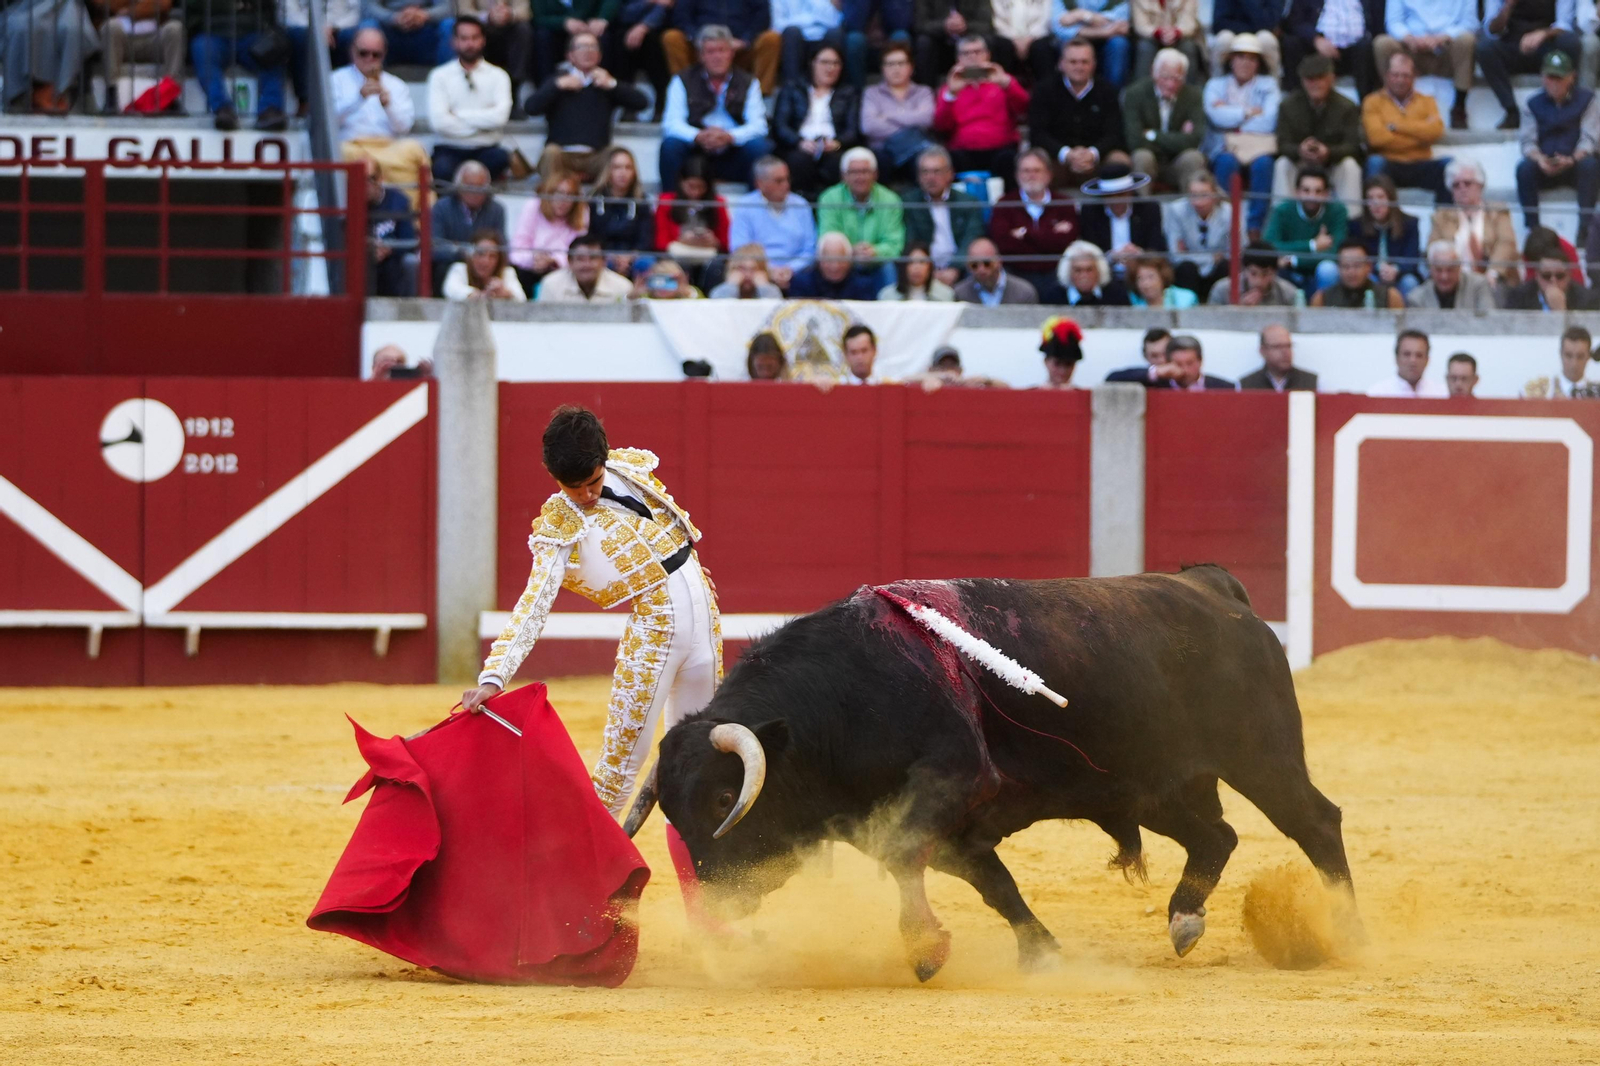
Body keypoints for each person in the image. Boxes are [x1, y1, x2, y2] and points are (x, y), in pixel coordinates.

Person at [465, 406, 725, 929]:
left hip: (705, 626)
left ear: (605, 461)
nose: (584, 495)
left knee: (699, 773)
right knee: (615, 780)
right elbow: (534, 603)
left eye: (591, 481)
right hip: (652, 639)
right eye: (571, 486)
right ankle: (568, 912)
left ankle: (707, 916)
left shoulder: (630, 469)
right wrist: (494, 675)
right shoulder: (558, 524)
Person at [658, 25, 774, 188]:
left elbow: (759, 125)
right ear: (701, 56)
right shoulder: (682, 80)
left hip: (734, 152)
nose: (717, 57)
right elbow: (671, 123)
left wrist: (730, 136)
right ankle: (670, 204)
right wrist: (698, 136)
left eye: (722, 50)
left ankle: (755, 206)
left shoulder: (749, 82)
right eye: (711, 52)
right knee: (671, 145)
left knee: (760, 147)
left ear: (732, 53)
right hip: (696, 154)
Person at [527, 31, 650, 182]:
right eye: (582, 47)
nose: (588, 51)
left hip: (596, 157)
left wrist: (613, 84)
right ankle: (550, 201)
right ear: (570, 55)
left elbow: (642, 103)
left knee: (617, 154)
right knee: (550, 153)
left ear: (599, 55)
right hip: (563, 155)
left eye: (593, 47)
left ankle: (607, 205)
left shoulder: (605, 83)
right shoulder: (557, 81)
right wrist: (557, 86)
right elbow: (531, 108)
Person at [334, 28, 430, 203]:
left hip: (387, 146)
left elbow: (404, 127)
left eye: (375, 54)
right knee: (341, 152)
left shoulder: (396, 85)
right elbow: (329, 121)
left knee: (415, 149)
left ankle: (414, 219)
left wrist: (388, 105)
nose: (369, 59)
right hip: (353, 145)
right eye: (363, 53)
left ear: (384, 54)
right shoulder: (335, 80)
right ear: (352, 51)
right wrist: (358, 98)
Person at [1516, 49, 1600, 243]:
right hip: (1546, 163)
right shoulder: (1532, 103)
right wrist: (1540, 159)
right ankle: (1533, 230)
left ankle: (1585, 230)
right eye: (1550, 77)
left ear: (1572, 77)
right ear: (1543, 77)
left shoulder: (1587, 100)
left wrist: (1572, 159)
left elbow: (1591, 139)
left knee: (1590, 165)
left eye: (1559, 78)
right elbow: (1527, 141)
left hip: (1575, 164)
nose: (1554, 83)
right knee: (1524, 169)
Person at [1204, 34, 1280, 234]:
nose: (1246, 63)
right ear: (1231, 60)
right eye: (1241, 57)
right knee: (1226, 162)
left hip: (1257, 147)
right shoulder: (1215, 85)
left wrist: (1231, 116)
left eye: (1252, 58)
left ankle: (1254, 227)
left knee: (1264, 164)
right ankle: (1227, 224)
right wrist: (1247, 112)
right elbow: (1215, 116)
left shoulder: (1268, 85)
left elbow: (1268, 121)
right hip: (1223, 146)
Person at [1030, 39, 1131, 187]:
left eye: (1084, 62)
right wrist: (1067, 154)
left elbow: (1115, 134)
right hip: (1058, 160)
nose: (1079, 67)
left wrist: (1092, 154)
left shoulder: (1108, 91)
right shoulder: (1044, 90)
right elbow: (1038, 134)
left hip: (1097, 160)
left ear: (1094, 64)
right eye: (1073, 62)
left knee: (1120, 160)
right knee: (1036, 160)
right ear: (1062, 64)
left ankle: (1119, 209)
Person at [988, 148, 1080, 301]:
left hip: (1057, 273)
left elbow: (1067, 243)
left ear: (1049, 175)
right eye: (1026, 171)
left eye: (1037, 170)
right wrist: (1050, 234)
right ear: (1017, 175)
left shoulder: (1064, 203)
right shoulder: (1004, 204)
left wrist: (1025, 234)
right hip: (1017, 273)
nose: (1031, 175)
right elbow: (1004, 245)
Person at [429, 17, 515, 181]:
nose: (470, 44)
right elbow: (439, 122)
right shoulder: (439, 76)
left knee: (501, 158)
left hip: (486, 149)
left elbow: (499, 119)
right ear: (454, 41)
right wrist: (482, 124)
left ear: (483, 40)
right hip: (449, 148)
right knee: (441, 168)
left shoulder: (498, 76)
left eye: (475, 38)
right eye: (464, 38)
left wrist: (457, 115)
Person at [1477, 0, 1585, 130]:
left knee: (1570, 42)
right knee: (1484, 49)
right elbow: (1491, 30)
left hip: (1546, 47)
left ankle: (1565, 106)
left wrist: (1544, 34)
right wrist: (1508, 6)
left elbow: (1564, 25)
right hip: (1512, 45)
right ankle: (1511, 110)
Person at [772, 44, 862, 197]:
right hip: (799, 145)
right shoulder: (793, 88)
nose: (830, 68)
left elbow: (852, 130)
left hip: (833, 146)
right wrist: (799, 142)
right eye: (825, 62)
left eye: (836, 63)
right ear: (812, 63)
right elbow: (780, 125)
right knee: (798, 162)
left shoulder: (848, 93)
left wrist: (837, 143)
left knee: (840, 163)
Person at [1273, 52, 1363, 204]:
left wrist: (1328, 152)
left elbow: (1353, 146)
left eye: (1320, 78)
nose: (1315, 84)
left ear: (1331, 79)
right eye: (1310, 79)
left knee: (1350, 166)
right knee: (1282, 164)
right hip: (1301, 163)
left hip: (1332, 164)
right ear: (1302, 81)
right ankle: (1283, 220)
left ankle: (1351, 223)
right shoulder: (1288, 105)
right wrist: (1300, 150)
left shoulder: (1347, 107)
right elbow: (1282, 144)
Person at [933, 34, 1029, 177]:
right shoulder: (950, 88)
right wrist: (951, 95)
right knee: (950, 161)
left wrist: (1007, 84)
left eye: (978, 52)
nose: (973, 57)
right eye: (966, 53)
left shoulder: (1002, 81)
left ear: (987, 55)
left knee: (1008, 159)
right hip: (963, 151)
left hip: (1001, 148)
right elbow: (941, 126)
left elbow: (1025, 109)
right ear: (958, 58)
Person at [1362, 50, 1449, 204]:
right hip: (1389, 164)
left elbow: (1435, 132)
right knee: (1374, 162)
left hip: (1421, 164)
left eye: (1406, 75)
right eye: (1395, 75)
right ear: (1387, 76)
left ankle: (1444, 220)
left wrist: (1395, 126)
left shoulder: (1427, 101)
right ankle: (1371, 224)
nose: (1400, 80)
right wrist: (1420, 134)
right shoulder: (1372, 101)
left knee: (1450, 165)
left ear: (1414, 77)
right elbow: (1376, 139)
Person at [1374, 0, 1476, 129]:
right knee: (1382, 43)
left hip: (1446, 51)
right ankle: (1389, 102)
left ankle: (1459, 107)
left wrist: (1442, 37)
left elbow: (1470, 23)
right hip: (1411, 51)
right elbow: (1394, 22)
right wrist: (1410, 38)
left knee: (1466, 40)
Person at [187, 0, 286, 130]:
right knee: (203, 53)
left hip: (251, 32)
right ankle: (222, 109)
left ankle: (270, 109)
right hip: (212, 32)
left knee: (272, 55)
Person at [1122, 47, 1207, 193]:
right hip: (1149, 159)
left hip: (1177, 161)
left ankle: (1190, 210)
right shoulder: (1134, 93)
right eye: (1165, 77)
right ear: (1153, 74)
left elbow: (1194, 140)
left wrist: (1152, 135)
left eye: (1177, 79)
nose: (1171, 84)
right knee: (1142, 156)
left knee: (1194, 157)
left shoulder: (1193, 96)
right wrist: (1179, 138)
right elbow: (1134, 141)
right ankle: (1142, 210)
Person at [1429, 158, 1521, 288]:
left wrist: (1493, 272)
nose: (1462, 188)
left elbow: (1506, 243)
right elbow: (1433, 249)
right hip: (1455, 280)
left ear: (1480, 185)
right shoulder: (1441, 217)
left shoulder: (1498, 211)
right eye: (1456, 185)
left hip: (1494, 278)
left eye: (1467, 183)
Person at [660, 0, 782, 95]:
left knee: (771, 39)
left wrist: (745, 40)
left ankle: (761, 96)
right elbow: (681, 16)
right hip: (702, 48)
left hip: (740, 48)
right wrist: (698, 39)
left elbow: (762, 16)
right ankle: (685, 90)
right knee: (672, 37)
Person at [729, 157, 816, 291]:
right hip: (756, 272)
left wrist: (790, 269)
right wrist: (769, 270)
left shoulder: (801, 205)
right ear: (760, 183)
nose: (786, 185)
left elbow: (810, 249)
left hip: (797, 273)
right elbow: (740, 248)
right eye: (779, 181)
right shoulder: (744, 206)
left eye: (787, 179)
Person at [903, 146, 985, 287]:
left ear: (950, 174)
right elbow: (911, 240)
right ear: (918, 177)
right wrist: (928, 270)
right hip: (923, 269)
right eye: (925, 172)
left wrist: (954, 268)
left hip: (961, 268)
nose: (930, 177)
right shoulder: (909, 202)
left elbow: (971, 238)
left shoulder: (968, 202)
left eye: (937, 172)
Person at [816, 148, 905, 276]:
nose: (860, 177)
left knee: (889, 268)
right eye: (854, 172)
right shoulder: (829, 198)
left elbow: (895, 244)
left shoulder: (891, 200)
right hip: (843, 262)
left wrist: (875, 251)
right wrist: (850, 250)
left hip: (877, 262)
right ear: (843, 176)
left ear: (875, 175)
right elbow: (827, 237)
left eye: (865, 172)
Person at [1264, 164, 1347, 292]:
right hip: (1288, 271)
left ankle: (1326, 311)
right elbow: (1269, 246)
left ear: (1326, 194)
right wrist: (1312, 245)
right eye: (1306, 190)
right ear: (1296, 192)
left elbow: (1336, 252)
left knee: (1329, 269)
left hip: (1314, 268)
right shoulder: (1282, 211)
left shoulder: (1338, 211)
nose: (1312, 196)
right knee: (1274, 268)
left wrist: (1294, 260)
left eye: (1318, 191)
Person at [862, 43, 936, 185]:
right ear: (882, 69)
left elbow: (927, 120)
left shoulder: (923, 92)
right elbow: (869, 126)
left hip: (916, 151)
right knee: (878, 159)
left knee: (926, 159)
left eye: (901, 63)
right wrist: (910, 123)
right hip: (883, 151)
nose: (896, 68)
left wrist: (888, 116)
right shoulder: (872, 93)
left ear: (911, 67)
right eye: (890, 64)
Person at [1077, 161, 1166, 276]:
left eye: (1121, 195)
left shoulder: (1148, 210)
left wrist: (1139, 254)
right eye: (1110, 196)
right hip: (1103, 274)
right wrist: (1111, 257)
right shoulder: (1091, 212)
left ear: (1130, 193)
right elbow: (1089, 248)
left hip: (1140, 273)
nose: (1116, 201)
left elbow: (1157, 246)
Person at [1281, 0, 1381, 100]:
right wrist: (1315, 39)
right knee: (1291, 43)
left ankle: (1366, 104)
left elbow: (1377, 22)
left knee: (1368, 46)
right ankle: (1296, 102)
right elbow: (1294, 22)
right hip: (1318, 47)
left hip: (1357, 48)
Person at [100, 0, 185, 113]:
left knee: (175, 28)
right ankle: (111, 95)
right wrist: (147, 6)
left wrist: (130, 10)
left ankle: (170, 95)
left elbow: (164, 3)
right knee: (110, 27)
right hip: (123, 41)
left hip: (154, 39)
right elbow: (103, 3)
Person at [585, 147, 655, 280]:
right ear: (608, 171)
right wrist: (610, 256)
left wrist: (629, 257)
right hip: (603, 254)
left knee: (648, 263)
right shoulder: (593, 199)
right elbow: (590, 235)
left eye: (628, 167)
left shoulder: (642, 201)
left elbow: (645, 239)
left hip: (634, 256)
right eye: (617, 167)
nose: (623, 173)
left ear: (634, 172)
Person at [510, 168, 589, 282]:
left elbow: (579, 254)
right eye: (559, 193)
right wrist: (533, 258)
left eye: (569, 195)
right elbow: (516, 251)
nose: (563, 200)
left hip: (564, 273)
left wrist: (554, 260)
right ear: (548, 193)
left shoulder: (582, 211)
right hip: (530, 268)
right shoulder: (533, 205)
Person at [1349, 173, 1422, 295]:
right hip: (1371, 274)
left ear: (1390, 199)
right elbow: (1357, 257)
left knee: (1409, 282)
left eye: (1381, 197)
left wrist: (1396, 269)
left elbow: (1412, 258)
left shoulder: (1410, 223)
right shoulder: (1356, 225)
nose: (1376, 203)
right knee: (1366, 280)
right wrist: (1377, 269)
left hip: (1400, 275)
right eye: (1370, 198)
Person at [431, 162, 506, 282]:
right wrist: (463, 253)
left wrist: (480, 256)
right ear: (459, 186)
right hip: (452, 263)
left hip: (486, 264)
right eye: (470, 186)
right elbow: (435, 247)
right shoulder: (441, 207)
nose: (475, 192)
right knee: (442, 269)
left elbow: (500, 246)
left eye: (480, 187)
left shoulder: (497, 210)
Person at [283, 0, 360, 113]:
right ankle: (305, 100)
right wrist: (317, 29)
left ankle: (344, 97)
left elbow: (355, 14)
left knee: (351, 38)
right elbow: (289, 15)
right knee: (300, 37)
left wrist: (332, 27)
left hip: (338, 29)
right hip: (304, 28)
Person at [1164, 172, 1232, 296]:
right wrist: (1211, 258)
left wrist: (1191, 255)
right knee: (1186, 268)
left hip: (1217, 272)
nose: (1198, 202)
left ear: (1215, 195)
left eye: (1204, 195)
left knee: (1226, 266)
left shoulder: (1228, 213)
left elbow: (1236, 250)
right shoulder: (1176, 211)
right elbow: (1176, 255)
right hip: (1190, 272)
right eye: (1193, 195)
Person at [774, 0, 867, 87]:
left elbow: (834, 20)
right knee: (791, 32)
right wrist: (812, 19)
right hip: (796, 39)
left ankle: (835, 92)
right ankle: (792, 90)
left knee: (836, 33)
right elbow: (778, 25)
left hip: (823, 36)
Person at [457, 0, 533, 106]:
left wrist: (509, 14)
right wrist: (487, 16)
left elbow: (525, 11)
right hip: (481, 24)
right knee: (468, 32)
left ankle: (514, 89)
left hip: (510, 25)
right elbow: (463, 11)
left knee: (523, 30)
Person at [654, 154, 730, 258]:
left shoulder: (717, 203)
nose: (695, 192)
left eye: (701, 187)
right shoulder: (666, 202)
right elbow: (660, 243)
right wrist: (681, 240)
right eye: (691, 186)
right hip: (676, 254)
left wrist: (714, 241)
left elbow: (726, 242)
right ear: (681, 182)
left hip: (708, 256)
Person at [1044, 0, 1132, 90]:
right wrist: (1101, 27)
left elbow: (1122, 25)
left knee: (1119, 44)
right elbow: (1058, 28)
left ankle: (1114, 95)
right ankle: (1065, 94)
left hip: (1108, 40)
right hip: (1076, 38)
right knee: (1065, 44)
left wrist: (1079, 16)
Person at [1504, 227, 1598, 308]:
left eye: (1560, 276)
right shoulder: (1519, 297)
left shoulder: (1586, 300)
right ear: (1537, 275)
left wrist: (1560, 310)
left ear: (1569, 275)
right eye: (1546, 276)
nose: (1554, 281)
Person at [913, 0, 1002, 86]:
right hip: (940, 42)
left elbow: (986, 24)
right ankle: (927, 91)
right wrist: (944, 25)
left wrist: (966, 25)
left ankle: (990, 88)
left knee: (992, 41)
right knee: (924, 42)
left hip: (969, 37)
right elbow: (920, 24)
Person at [365, 161, 417, 297]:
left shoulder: (398, 201)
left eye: (371, 179)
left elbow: (409, 240)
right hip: (364, 261)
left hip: (392, 261)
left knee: (409, 262)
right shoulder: (349, 202)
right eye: (360, 179)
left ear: (381, 178)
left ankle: (408, 310)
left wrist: (389, 248)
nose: (365, 185)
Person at [536, 232, 634, 300]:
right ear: (569, 261)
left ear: (604, 261)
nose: (586, 265)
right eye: (580, 258)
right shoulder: (551, 285)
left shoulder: (623, 287)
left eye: (593, 258)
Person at [1310, 238, 1407, 306]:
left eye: (1357, 266)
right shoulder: (1322, 299)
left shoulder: (1390, 297)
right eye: (1346, 266)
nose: (1351, 272)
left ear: (1368, 267)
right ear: (1338, 268)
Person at [1406, 240, 1498, 310]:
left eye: (1450, 270)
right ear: (1430, 269)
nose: (1444, 276)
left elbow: (1489, 321)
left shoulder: (1478, 286)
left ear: (1459, 268)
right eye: (1439, 270)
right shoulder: (1417, 298)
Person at [789, 230, 882, 297]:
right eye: (829, 260)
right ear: (819, 261)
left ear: (849, 260)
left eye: (840, 260)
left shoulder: (863, 286)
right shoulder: (802, 284)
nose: (835, 266)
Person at [1208, 238, 1302, 304]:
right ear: (1244, 270)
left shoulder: (1289, 294)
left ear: (1275, 272)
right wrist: (1238, 310)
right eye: (1253, 274)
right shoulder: (1221, 290)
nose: (1259, 281)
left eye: (1265, 274)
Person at [364, 0, 455, 67]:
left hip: (426, 32)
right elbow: (369, 9)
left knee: (449, 25)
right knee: (368, 26)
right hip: (389, 33)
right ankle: (371, 83)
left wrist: (425, 15)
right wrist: (393, 17)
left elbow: (447, 8)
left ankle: (446, 83)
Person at [1130, 0, 1201, 84]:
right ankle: (1142, 91)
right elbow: (1141, 26)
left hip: (1181, 36)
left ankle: (1189, 91)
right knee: (1145, 48)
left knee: (1188, 47)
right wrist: (1158, 33)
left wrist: (1176, 32)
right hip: (1151, 37)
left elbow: (1189, 24)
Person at [444, 230, 529, 300]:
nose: (485, 261)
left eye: (492, 256)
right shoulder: (459, 269)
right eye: (480, 254)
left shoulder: (507, 273)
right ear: (471, 255)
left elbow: (521, 298)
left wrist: (505, 293)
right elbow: (451, 289)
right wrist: (478, 295)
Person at [954, 236, 1041, 303]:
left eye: (987, 263)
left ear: (999, 262)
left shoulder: (1024, 292)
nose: (981, 269)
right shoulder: (960, 294)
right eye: (974, 265)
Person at [1210, 0, 1282, 79]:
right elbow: (1218, 24)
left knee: (1267, 40)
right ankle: (1216, 82)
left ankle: (1274, 83)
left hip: (1259, 34)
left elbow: (1270, 23)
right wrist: (1247, 30)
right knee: (1223, 40)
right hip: (1234, 33)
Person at [1367, 328, 1448, 396]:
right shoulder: (1378, 393)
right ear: (1396, 358)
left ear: (1427, 360)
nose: (1413, 360)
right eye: (1407, 354)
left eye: (1419, 355)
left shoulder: (1441, 394)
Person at [1523, 325, 1600, 395]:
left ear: (1588, 356)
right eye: (1568, 356)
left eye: (1580, 357)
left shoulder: (1597, 394)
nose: (1574, 363)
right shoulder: (1538, 392)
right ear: (1561, 354)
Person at [1239, 324, 1319, 390]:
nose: (1285, 352)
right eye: (1278, 347)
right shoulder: (1248, 385)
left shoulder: (1310, 382)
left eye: (1288, 346)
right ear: (1262, 351)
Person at [994, 0, 1056, 81]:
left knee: (1041, 48)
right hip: (1007, 36)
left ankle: (1044, 89)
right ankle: (1003, 87)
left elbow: (1045, 18)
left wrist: (1030, 37)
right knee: (1003, 46)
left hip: (1037, 36)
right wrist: (1014, 38)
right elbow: (998, 21)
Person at [1057, 239, 1132, 304]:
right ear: (1068, 272)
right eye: (1078, 270)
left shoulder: (1117, 295)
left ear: (1099, 271)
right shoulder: (1053, 297)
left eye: (1089, 270)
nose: (1084, 275)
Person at [1152, 334, 1237, 389]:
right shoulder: (1157, 387)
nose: (1184, 370)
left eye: (1190, 363)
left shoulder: (1223, 388)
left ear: (1200, 361)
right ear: (1168, 363)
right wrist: (1156, 372)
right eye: (1178, 364)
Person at [879, 241, 957, 299]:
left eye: (922, 262)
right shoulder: (888, 296)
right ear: (904, 266)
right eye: (911, 262)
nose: (917, 268)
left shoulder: (945, 295)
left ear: (929, 266)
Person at [709, 244, 785, 296]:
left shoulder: (772, 291)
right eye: (742, 269)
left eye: (754, 269)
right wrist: (731, 286)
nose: (748, 275)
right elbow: (719, 307)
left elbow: (775, 308)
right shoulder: (720, 291)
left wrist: (764, 287)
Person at [1104, 326, 1171, 380]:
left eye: (1166, 354)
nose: (1161, 360)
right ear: (1145, 356)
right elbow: (1111, 378)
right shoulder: (1144, 378)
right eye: (1154, 356)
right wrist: (1154, 372)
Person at [1128, 255, 1197, 307]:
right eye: (1140, 278)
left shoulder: (1186, 299)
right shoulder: (1133, 302)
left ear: (1162, 277)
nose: (1146, 284)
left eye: (1151, 277)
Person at [1038, 315, 1086, 387]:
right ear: (1046, 361)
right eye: (1057, 364)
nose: (1062, 371)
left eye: (1068, 364)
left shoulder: (1084, 396)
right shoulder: (1028, 396)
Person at [635, 256, 706, 298]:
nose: (663, 287)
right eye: (658, 279)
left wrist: (687, 293)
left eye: (669, 280)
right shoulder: (645, 297)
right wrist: (634, 294)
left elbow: (703, 309)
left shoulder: (690, 293)